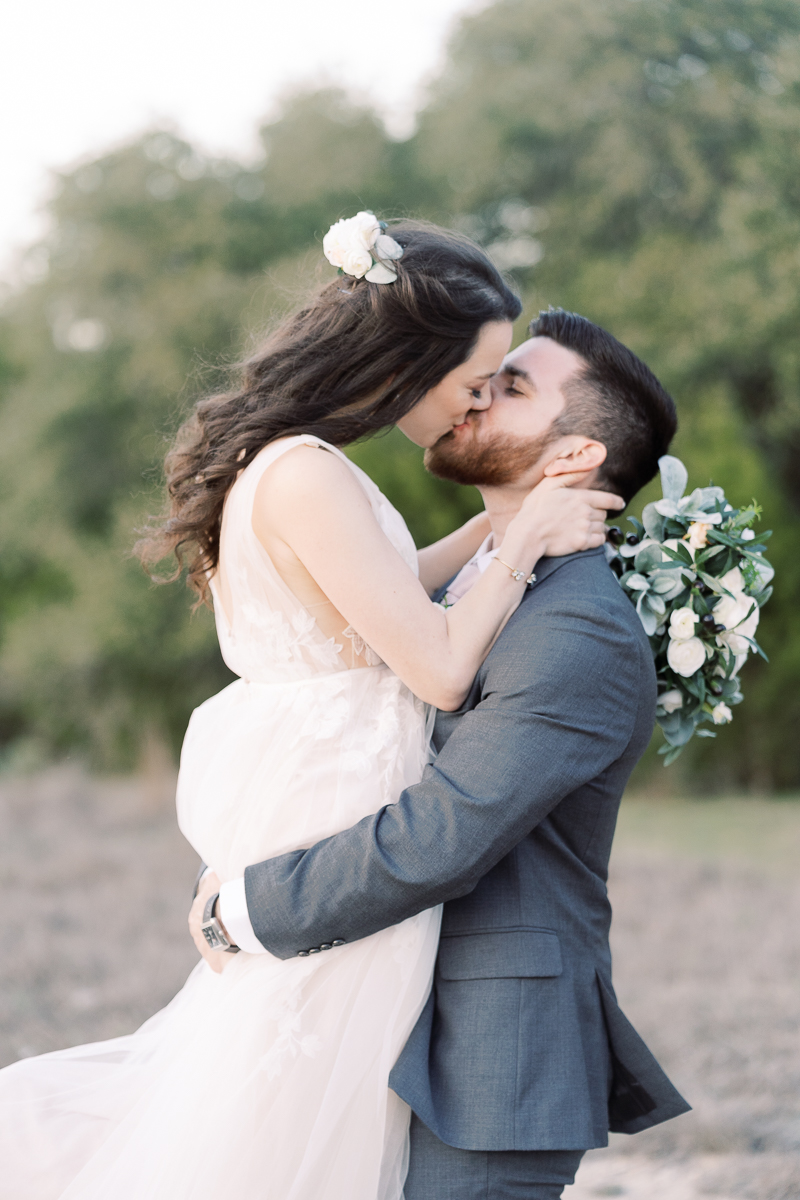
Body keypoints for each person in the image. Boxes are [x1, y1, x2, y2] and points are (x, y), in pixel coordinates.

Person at [0, 218, 618, 1200]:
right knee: (294, 1100)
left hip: (322, 781)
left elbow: (381, 595)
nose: (471, 408)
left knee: (290, 1083)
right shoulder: (309, 474)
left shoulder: (293, 465)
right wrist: (524, 537)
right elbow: (437, 671)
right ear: (406, 363)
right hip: (342, 798)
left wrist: (498, 524)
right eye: (468, 383)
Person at [190, 308, 692, 1200]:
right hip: (379, 1010)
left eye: (513, 388)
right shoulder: (477, 584)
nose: (474, 393)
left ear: (573, 456)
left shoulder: (576, 624)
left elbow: (443, 833)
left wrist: (249, 906)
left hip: (488, 1057)